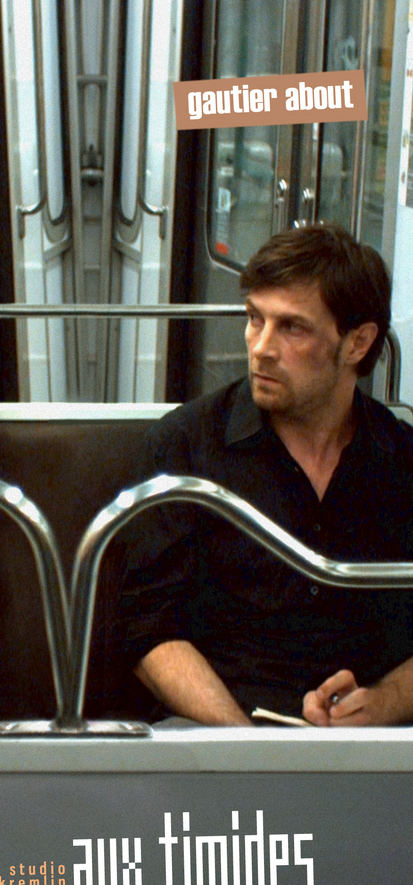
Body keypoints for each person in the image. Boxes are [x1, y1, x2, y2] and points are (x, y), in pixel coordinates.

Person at [120, 222, 413, 727]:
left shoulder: (401, 460)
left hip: (368, 734)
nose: (260, 347)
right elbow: (149, 631)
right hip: (218, 722)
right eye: (255, 319)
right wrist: (245, 742)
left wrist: (383, 704)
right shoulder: (187, 446)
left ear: (358, 343)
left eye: (292, 328)